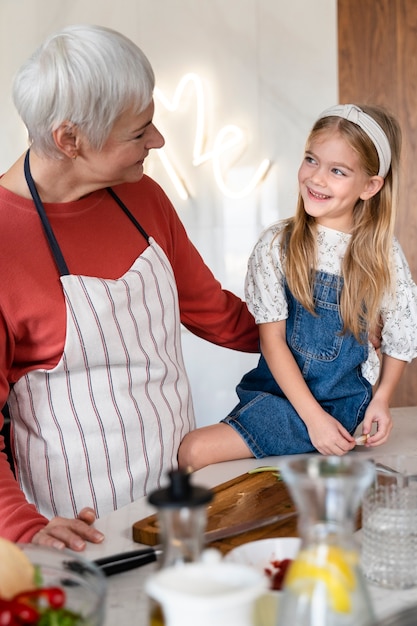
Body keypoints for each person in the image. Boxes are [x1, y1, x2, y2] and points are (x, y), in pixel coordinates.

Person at [0, 25, 259, 550]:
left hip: (179, 497)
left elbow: (218, 315)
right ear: (69, 140)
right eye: (139, 132)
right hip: (73, 527)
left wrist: (325, 335)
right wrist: (24, 528)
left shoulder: (144, 197)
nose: (158, 141)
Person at [178, 103, 417, 471]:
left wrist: (381, 400)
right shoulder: (277, 244)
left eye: (337, 171)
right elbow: (271, 341)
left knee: (195, 449)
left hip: (337, 409)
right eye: (311, 160)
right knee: (195, 451)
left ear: (370, 186)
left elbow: (401, 338)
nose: (317, 178)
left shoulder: (383, 255)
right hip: (279, 396)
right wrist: (311, 420)